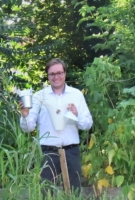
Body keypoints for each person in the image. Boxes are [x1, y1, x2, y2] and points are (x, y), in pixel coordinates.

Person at [19, 58, 93, 190]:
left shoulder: (76, 95)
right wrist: (25, 116)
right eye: (52, 74)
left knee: (74, 194)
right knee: (46, 194)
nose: (56, 77)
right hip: (48, 152)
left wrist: (77, 115)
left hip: (71, 151)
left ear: (65, 73)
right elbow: (29, 128)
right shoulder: (39, 96)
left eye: (59, 73)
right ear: (48, 76)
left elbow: (87, 124)